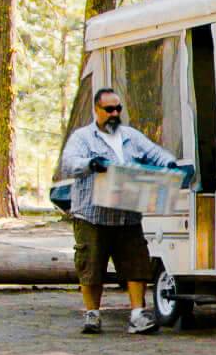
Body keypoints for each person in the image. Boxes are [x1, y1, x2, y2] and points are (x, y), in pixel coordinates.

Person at [58, 88, 179, 334]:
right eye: (109, 109)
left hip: (127, 213)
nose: (114, 114)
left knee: (137, 265)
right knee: (91, 266)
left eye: (118, 109)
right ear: (96, 110)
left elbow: (155, 153)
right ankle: (92, 314)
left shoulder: (131, 137)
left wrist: (168, 164)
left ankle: (137, 315)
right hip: (92, 215)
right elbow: (69, 163)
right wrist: (90, 164)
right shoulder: (83, 138)